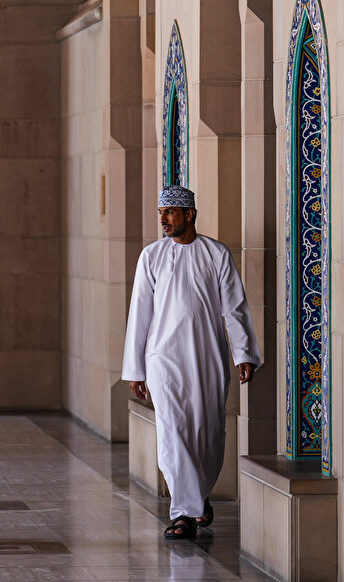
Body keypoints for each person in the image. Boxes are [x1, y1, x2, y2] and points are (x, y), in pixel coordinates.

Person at [123, 186, 261, 541]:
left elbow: (234, 307)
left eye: (170, 212)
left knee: (208, 431)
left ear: (190, 214)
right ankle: (183, 512)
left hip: (207, 357)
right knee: (172, 433)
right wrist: (135, 370)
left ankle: (198, 495)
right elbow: (140, 316)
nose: (164, 219)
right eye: (161, 212)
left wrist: (243, 352)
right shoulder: (151, 257)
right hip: (163, 360)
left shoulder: (216, 254)